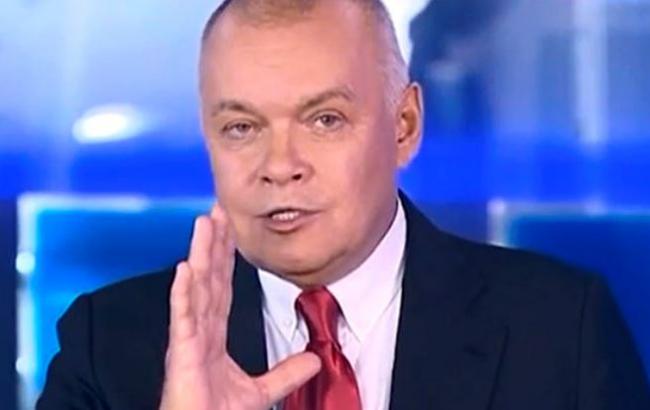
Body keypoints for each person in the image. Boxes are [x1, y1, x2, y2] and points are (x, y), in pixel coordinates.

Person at [37, 0, 650, 409]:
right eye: (242, 128)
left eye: (324, 119)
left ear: (404, 126)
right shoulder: (106, 344)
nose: (280, 165)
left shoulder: (560, 330)